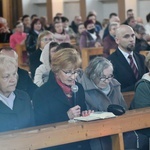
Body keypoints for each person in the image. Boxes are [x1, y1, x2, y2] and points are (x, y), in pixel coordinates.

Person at [79, 56, 148, 150]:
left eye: (110, 76)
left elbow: (124, 109)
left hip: (118, 129)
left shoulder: (115, 85)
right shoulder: (82, 89)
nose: (107, 81)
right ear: (93, 75)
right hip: (95, 134)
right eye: (103, 77)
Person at [33, 48, 92, 150]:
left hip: (80, 143)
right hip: (57, 145)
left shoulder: (79, 88)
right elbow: (40, 125)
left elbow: (81, 111)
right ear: (56, 70)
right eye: (68, 72)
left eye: (75, 72)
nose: (73, 77)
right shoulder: (42, 93)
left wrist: (85, 115)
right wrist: (66, 116)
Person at [0, 55, 34, 132]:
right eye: (6, 76)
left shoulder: (24, 97)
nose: (13, 80)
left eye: (14, 74)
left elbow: (33, 127)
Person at [108, 25, 147, 92]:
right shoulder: (110, 62)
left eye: (133, 35)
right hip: (123, 99)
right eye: (126, 36)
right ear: (117, 40)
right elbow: (114, 89)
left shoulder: (141, 58)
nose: (131, 39)